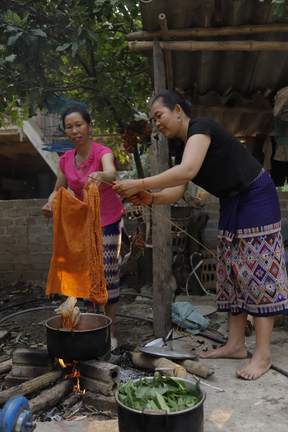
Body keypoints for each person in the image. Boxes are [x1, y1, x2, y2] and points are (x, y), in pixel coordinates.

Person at [112, 89, 288, 380]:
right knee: (232, 271)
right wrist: (148, 197)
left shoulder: (201, 127)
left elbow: (186, 172)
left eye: (160, 115)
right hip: (232, 202)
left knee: (257, 273)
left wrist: (138, 182)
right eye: (153, 119)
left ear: (178, 110)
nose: (156, 123)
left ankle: (263, 353)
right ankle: (235, 345)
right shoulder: (183, 149)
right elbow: (178, 189)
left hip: (256, 196)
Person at [42, 106, 125, 351]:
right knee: (86, 275)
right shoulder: (66, 159)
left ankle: (109, 329)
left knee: (107, 274)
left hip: (108, 220)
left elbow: (110, 172)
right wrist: (49, 203)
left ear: (90, 126)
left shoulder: (103, 152)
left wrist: (101, 174)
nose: (74, 130)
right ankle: (92, 323)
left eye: (79, 125)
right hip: (81, 224)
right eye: (69, 126)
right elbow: (58, 191)